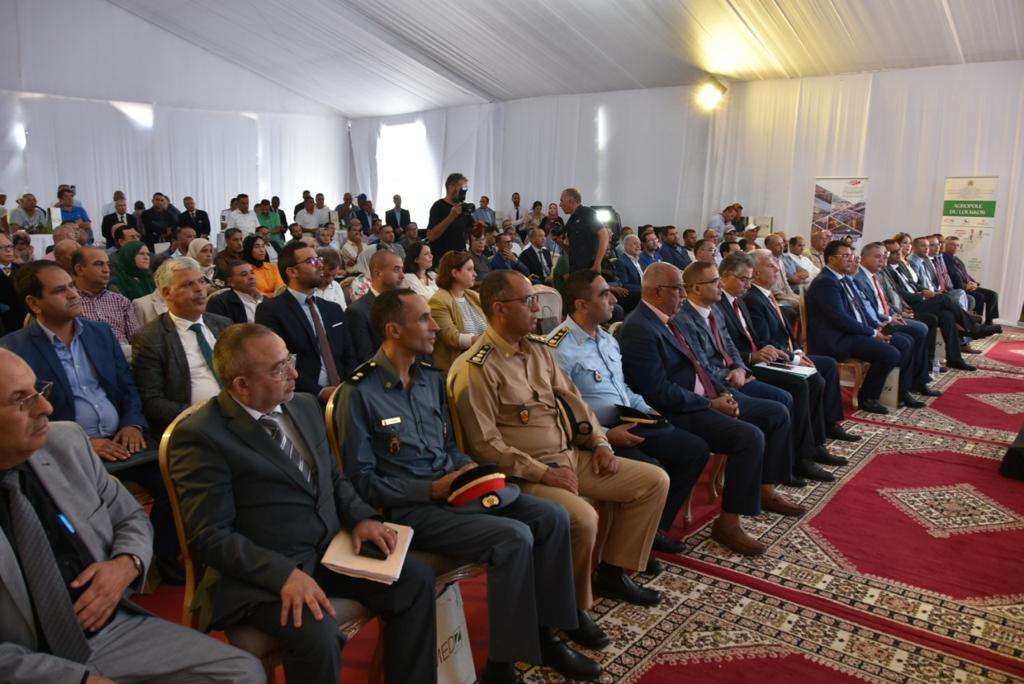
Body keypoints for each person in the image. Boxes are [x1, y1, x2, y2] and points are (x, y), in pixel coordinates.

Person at [338, 289, 602, 680]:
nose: (435, 327)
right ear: (393, 330)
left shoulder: (431, 380)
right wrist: (431, 490)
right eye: (424, 319)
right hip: (412, 509)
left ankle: (546, 635)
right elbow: (361, 481)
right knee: (514, 537)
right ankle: (502, 666)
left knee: (552, 517)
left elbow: (450, 447)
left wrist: (469, 471)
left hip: (455, 493)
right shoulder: (359, 392)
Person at [168, 324, 436, 684]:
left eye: (289, 360)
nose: (294, 374)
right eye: (279, 369)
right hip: (261, 575)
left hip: (329, 553)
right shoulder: (202, 435)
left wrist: (361, 517)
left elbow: (334, 479)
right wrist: (283, 575)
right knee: (319, 634)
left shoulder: (305, 405)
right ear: (241, 385)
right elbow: (210, 536)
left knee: (416, 579)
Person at [0, 348, 264, 683]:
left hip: (108, 631)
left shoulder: (66, 443)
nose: (45, 408)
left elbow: (132, 517)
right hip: (23, 660)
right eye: (21, 400)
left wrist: (127, 563)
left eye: (39, 390)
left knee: (241, 674)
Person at [450, 270, 670, 615]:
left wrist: (600, 443)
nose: (537, 309)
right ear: (500, 309)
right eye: (528, 301)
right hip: (524, 476)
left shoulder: (538, 351)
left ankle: (612, 572)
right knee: (583, 518)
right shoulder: (476, 368)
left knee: (653, 481)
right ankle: (573, 609)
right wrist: (543, 473)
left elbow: (576, 403)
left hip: (570, 457)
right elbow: (485, 446)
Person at [1, 262, 181, 580]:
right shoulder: (14, 349)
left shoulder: (100, 333)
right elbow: (28, 413)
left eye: (71, 285)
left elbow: (127, 387)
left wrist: (132, 424)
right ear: (33, 303)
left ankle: (159, 558)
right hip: (65, 451)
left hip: (123, 440)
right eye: (60, 290)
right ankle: (95, 566)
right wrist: (82, 442)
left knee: (174, 474)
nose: (73, 294)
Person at [618, 263, 806, 556]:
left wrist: (722, 392)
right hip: (677, 410)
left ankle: (763, 490)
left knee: (774, 413)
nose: (684, 295)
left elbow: (700, 365)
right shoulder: (640, 328)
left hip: (704, 397)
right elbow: (656, 390)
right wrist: (709, 403)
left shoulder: (669, 318)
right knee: (749, 437)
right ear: (657, 292)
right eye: (678, 289)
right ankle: (728, 523)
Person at [548, 270, 707, 552]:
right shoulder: (559, 349)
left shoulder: (607, 339)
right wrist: (606, 435)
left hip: (626, 417)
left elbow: (622, 388)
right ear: (581, 305)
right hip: (593, 432)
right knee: (653, 470)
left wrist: (646, 408)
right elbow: (560, 412)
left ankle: (653, 528)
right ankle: (629, 546)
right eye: (604, 295)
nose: (613, 300)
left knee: (694, 450)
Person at [719, 252, 858, 450]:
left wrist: (798, 353)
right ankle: (806, 448)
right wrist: (787, 358)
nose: (777, 269)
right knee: (804, 382)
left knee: (826, 366)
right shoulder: (744, 300)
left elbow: (771, 336)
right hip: (754, 363)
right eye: (771, 266)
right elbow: (744, 344)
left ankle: (825, 428)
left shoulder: (740, 299)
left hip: (763, 356)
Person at [805, 241, 923, 414]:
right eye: (845, 256)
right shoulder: (826, 282)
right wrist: (873, 333)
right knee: (890, 353)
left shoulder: (843, 278)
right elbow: (840, 319)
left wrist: (878, 326)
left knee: (904, 341)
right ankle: (868, 397)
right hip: (836, 338)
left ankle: (899, 391)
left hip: (852, 332)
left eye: (851, 256)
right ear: (831, 259)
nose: (851, 260)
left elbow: (860, 309)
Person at [130, 256, 231, 437]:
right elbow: (152, 402)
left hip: (239, 414)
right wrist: (203, 414)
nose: (200, 289)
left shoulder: (222, 324)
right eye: (188, 284)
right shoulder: (150, 338)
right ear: (167, 293)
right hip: (194, 425)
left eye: (201, 281)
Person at [255, 242, 357, 402]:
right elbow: (278, 364)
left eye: (319, 260)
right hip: (304, 398)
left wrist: (350, 386)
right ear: (292, 272)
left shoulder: (333, 309)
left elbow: (349, 354)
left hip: (345, 393)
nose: (320, 265)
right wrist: (319, 392)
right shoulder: (271, 311)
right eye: (312, 261)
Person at [429, 251, 486, 374]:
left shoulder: (473, 296)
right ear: (455, 273)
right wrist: (487, 340)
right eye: (470, 269)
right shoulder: (438, 301)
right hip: (458, 368)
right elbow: (452, 338)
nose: (475, 274)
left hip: (483, 363)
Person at [72, 247, 140, 347]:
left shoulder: (120, 301)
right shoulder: (69, 302)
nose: (106, 270)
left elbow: (136, 340)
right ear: (79, 269)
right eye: (99, 264)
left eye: (107, 264)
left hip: (123, 353)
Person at [346, 250, 406, 364]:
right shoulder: (357, 311)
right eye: (396, 269)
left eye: (402, 269)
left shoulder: (405, 304)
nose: (403, 275)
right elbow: (366, 358)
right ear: (378, 273)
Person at [943, 235, 999, 325]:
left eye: (957, 245)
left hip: (968, 285)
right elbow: (952, 276)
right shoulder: (943, 259)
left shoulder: (956, 259)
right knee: (980, 296)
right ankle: (976, 322)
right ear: (945, 245)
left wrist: (974, 283)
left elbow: (965, 274)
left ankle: (989, 322)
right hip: (959, 287)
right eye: (952, 244)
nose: (955, 247)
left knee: (993, 295)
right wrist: (966, 286)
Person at [559, 187, 608, 276]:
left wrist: (597, 263)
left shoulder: (587, 213)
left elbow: (604, 234)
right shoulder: (570, 222)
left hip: (590, 267)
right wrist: (558, 241)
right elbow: (571, 250)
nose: (560, 205)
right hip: (576, 269)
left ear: (571, 201)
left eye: (562, 201)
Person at [426, 173, 474, 260]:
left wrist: (480, 227)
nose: (464, 192)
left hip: (460, 258)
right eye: (462, 189)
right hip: (442, 260)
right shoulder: (438, 206)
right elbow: (431, 236)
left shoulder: (463, 208)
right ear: (451, 187)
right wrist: (450, 217)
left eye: (465, 189)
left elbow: (472, 231)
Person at [207, 260, 263, 324]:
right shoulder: (220, 303)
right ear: (230, 282)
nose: (251, 277)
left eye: (252, 273)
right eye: (244, 274)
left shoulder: (264, 299)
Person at [0, 233, 27, 332]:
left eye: (10, 246)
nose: (8, 250)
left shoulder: (23, 269)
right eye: (2, 247)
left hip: (23, 320)